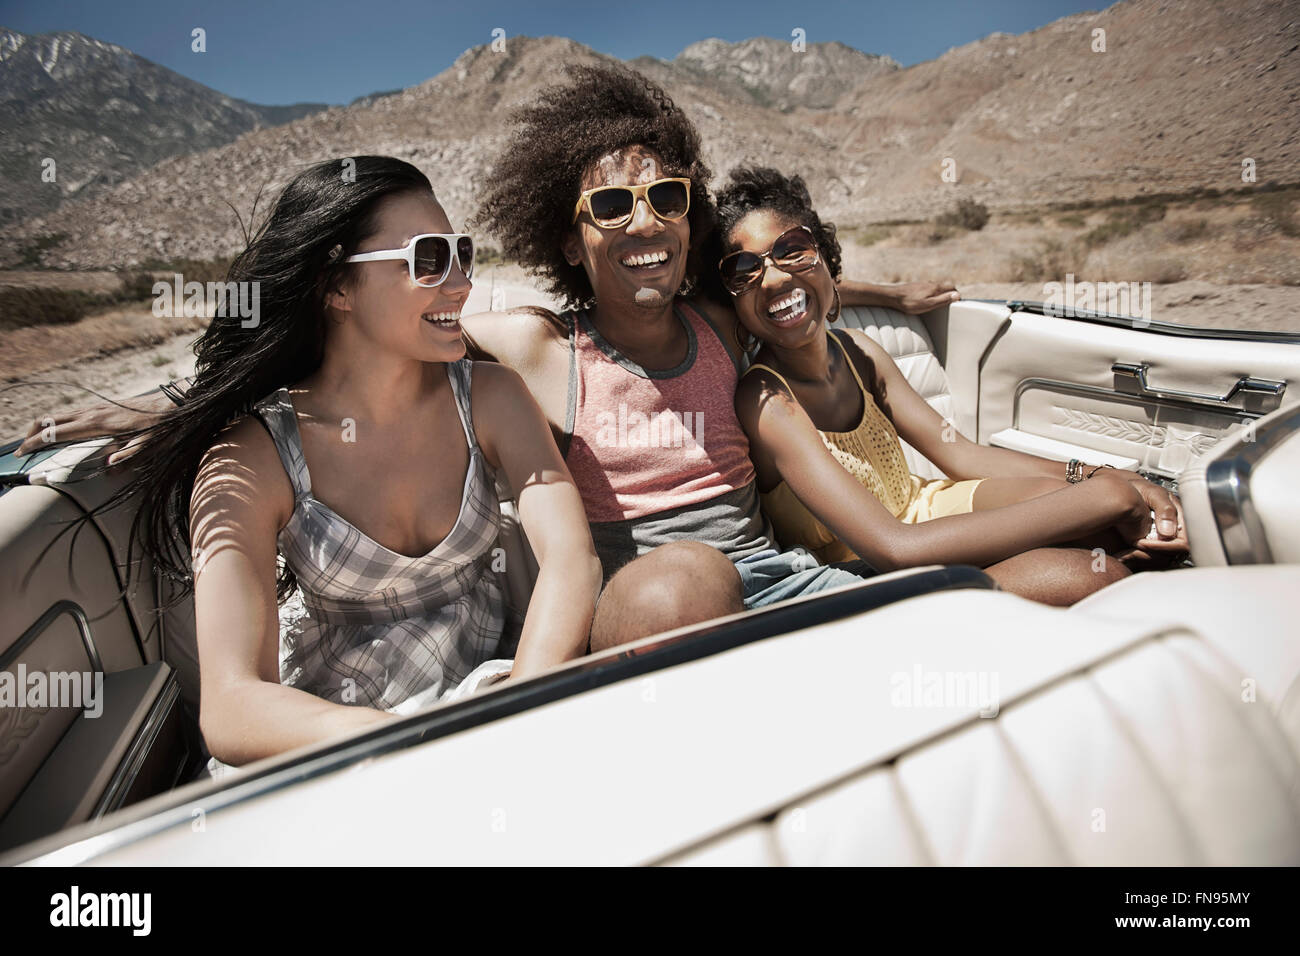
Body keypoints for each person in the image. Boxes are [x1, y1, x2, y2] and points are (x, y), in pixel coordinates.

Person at [23, 66, 957, 651]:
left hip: (779, 580)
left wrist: (896, 295)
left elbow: (781, 282)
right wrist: (170, 407)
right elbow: (343, 340)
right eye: (609, 207)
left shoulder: (715, 317)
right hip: (646, 608)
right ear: (567, 230)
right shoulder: (532, 346)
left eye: (667, 198)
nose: (644, 221)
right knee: (692, 585)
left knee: (1029, 592)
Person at [82, 157, 601, 767]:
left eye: (461, 254)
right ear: (336, 287)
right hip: (335, 733)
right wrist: (408, 746)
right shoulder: (253, 457)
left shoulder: (490, 397)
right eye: (428, 259)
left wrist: (517, 712)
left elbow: (572, 558)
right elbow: (231, 704)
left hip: (495, 689)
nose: (458, 282)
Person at [712, 166, 1189, 605]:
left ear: (822, 258)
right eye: (742, 271)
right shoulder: (766, 401)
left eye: (792, 249)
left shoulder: (861, 352)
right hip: (868, 567)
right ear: (733, 305)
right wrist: (1107, 496)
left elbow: (962, 455)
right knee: (1095, 574)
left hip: (930, 507)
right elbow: (895, 548)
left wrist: (1094, 475)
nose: (772, 278)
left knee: (1109, 532)